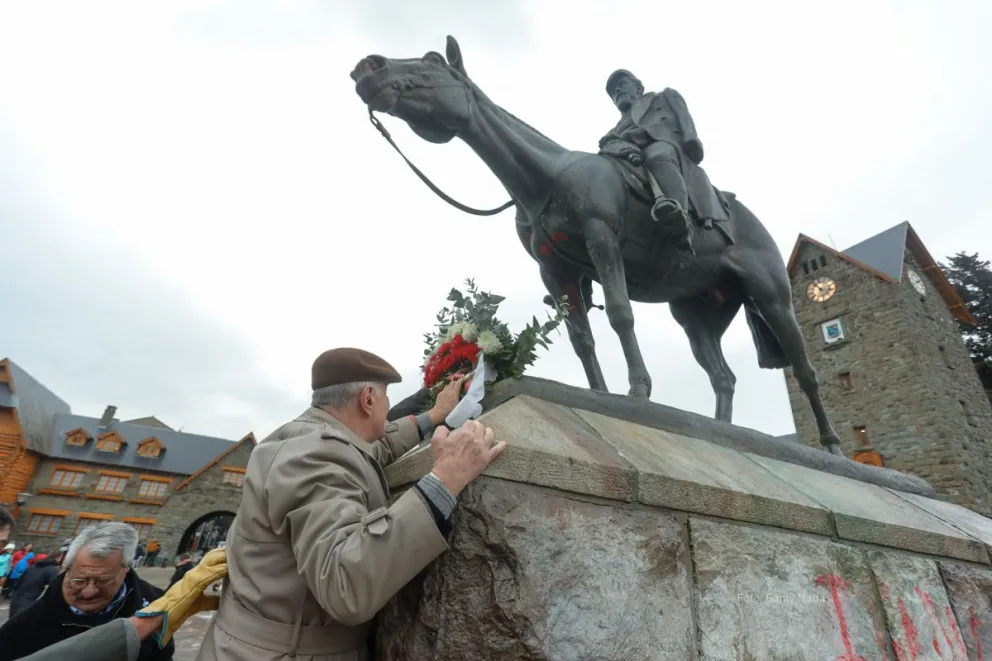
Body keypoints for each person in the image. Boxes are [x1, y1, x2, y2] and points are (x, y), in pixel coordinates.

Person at [195, 347, 506, 661]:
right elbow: (346, 585)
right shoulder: (314, 457)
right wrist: (445, 480)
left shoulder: (314, 437)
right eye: (385, 395)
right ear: (368, 399)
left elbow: (375, 448)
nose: (388, 404)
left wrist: (434, 417)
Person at [0, 521, 174, 661]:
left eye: (103, 581)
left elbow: (163, 655)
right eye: (79, 580)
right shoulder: (26, 625)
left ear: (126, 569)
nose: (88, 592)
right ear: (64, 567)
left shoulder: (155, 604)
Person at [597, 69, 728, 251]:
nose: (617, 92)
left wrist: (691, 137)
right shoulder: (614, 130)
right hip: (627, 153)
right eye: (612, 92)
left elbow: (674, 124)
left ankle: (679, 217)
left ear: (638, 87)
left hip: (663, 144)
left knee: (657, 156)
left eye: (621, 85)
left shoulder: (662, 98)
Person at [8, 549, 63, 618]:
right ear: (59, 558)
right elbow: (54, 589)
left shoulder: (33, 566)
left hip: (16, 601)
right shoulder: (53, 570)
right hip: (32, 604)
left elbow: (18, 583)